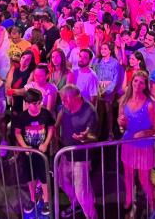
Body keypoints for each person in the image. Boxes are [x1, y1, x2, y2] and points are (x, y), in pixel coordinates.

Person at [117, 70, 155, 215]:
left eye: (141, 82)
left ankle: (153, 202)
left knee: (144, 179)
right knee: (128, 175)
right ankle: (129, 199)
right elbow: (121, 124)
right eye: (135, 81)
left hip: (144, 146)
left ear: (145, 85)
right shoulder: (124, 100)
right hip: (128, 143)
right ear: (131, 82)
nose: (137, 84)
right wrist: (121, 123)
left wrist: (145, 133)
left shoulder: (149, 104)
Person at [56, 84, 98, 219]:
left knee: (82, 191)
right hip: (66, 152)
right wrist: (55, 134)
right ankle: (76, 204)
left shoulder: (89, 111)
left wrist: (85, 137)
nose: (63, 102)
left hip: (81, 157)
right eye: (62, 100)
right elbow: (59, 117)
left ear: (76, 98)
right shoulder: (64, 107)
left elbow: (94, 136)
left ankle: (91, 215)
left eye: (65, 100)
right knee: (62, 181)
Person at [13, 88, 55, 217]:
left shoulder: (46, 114)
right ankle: (33, 199)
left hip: (42, 152)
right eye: (33, 103)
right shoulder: (22, 117)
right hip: (28, 154)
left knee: (44, 177)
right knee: (29, 177)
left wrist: (46, 143)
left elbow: (51, 127)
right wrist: (25, 147)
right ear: (26, 103)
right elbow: (18, 133)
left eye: (38, 103)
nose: (36, 106)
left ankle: (47, 200)